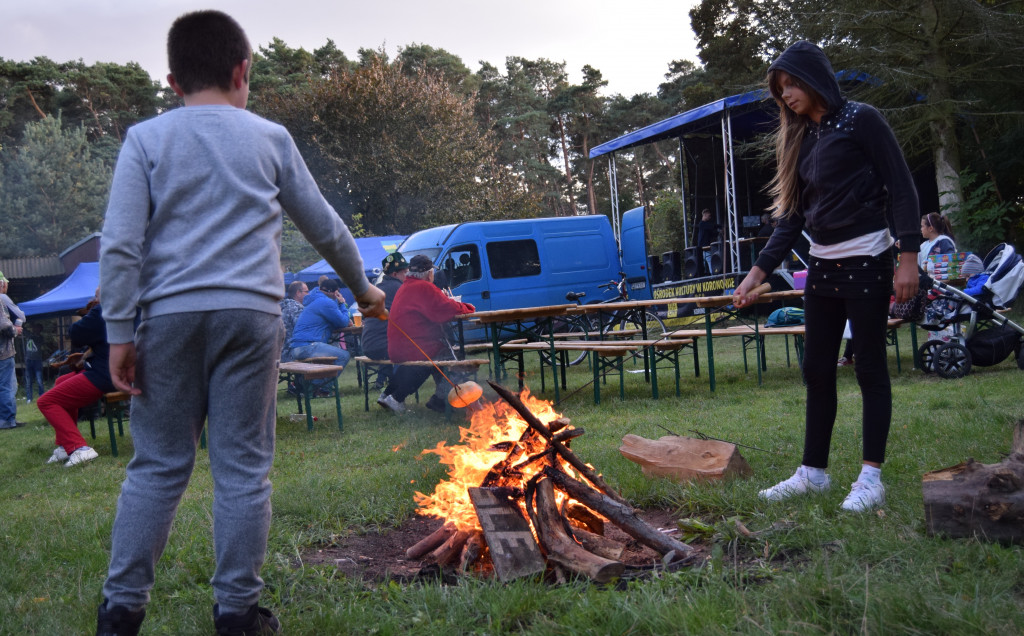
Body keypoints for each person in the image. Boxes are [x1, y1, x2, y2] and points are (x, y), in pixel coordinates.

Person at [95, 11, 385, 636]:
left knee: (158, 465)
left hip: (167, 318)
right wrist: (364, 290)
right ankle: (237, 615)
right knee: (243, 468)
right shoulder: (270, 138)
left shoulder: (145, 140)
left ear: (172, 81)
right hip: (251, 316)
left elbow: (119, 246)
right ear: (242, 70)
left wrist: (120, 333)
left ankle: (120, 613)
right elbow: (325, 227)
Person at [732, 41, 920, 513]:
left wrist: (909, 258)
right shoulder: (802, 137)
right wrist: (756, 274)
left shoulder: (862, 119)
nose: (787, 95)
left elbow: (901, 186)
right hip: (821, 266)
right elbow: (792, 217)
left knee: (870, 368)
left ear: (814, 78)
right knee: (817, 369)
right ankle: (813, 473)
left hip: (867, 258)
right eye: (781, 89)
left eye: (792, 83)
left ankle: (871, 477)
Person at [378, 255, 475, 415]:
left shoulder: (407, 286)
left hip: (400, 346)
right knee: (448, 357)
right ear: (429, 273)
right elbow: (447, 308)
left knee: (438, 354)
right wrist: (468, 307)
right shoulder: (423, 287)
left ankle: (389, 394)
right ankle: (435, 400)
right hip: (413, 346)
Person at [37, 298, 111, 467]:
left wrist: (94, 309)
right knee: (61, 381)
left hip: (105, 373)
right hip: (110, 367)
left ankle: (79, 447)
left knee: (46, 402)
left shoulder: (103, 308)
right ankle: (65, 445)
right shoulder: (126, 305)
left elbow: (75, 333)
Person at [361, 251, 410, 389]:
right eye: (405, 272)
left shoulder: (377, 289)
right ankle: (393, 392)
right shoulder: (399, 288)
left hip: (367, 345)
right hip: (383, 346)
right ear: (395, 274)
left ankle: (383, 382)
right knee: (417, 350)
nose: (408, 275)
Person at [287, 278, 351, 367]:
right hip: (308, 346)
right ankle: (322, 381)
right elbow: (343, 322)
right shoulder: (326, 302)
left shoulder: (314, 300)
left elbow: (336, 320)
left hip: (296, 347)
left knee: (326, 361)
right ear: (336, 292)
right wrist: (342, 303)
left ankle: (318, 380)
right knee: (344, 356)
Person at [0, 297, 18, 430]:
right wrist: (16, 330)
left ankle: (8, 419)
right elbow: (5, 325)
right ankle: (7, 419)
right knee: (6, 387)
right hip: (3, 353)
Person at [278, 280, 308, 361]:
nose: (308, 294)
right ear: (298, 293)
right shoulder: (297, 308)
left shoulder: (280, 306)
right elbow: (303, 330)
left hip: (276, 354)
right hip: (290, 353)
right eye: (306, 292)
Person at [23, 322, 46, 402]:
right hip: (28, 360)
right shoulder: (29, 334)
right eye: (34, 327)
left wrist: (31, 327)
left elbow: (34, 337)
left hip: (37, 361)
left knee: (39, 380)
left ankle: (42, 396)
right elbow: (23, 330)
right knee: (28, 381)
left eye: (36, 328)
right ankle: (29, 398)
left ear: (39, 330)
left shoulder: (40, 338)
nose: (34, 329)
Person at [695, 209, 721, 274]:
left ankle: (711, 274)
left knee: (707, 262)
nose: (710, 217)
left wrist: (719, 232)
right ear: (705, 215)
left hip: (706, 247)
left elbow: (712, 234)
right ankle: (713, 276)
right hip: (703, 247)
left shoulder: (705, 225)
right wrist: (720, 227)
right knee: (709, 261)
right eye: (709, 216)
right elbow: (712, 226)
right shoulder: (702, 224)